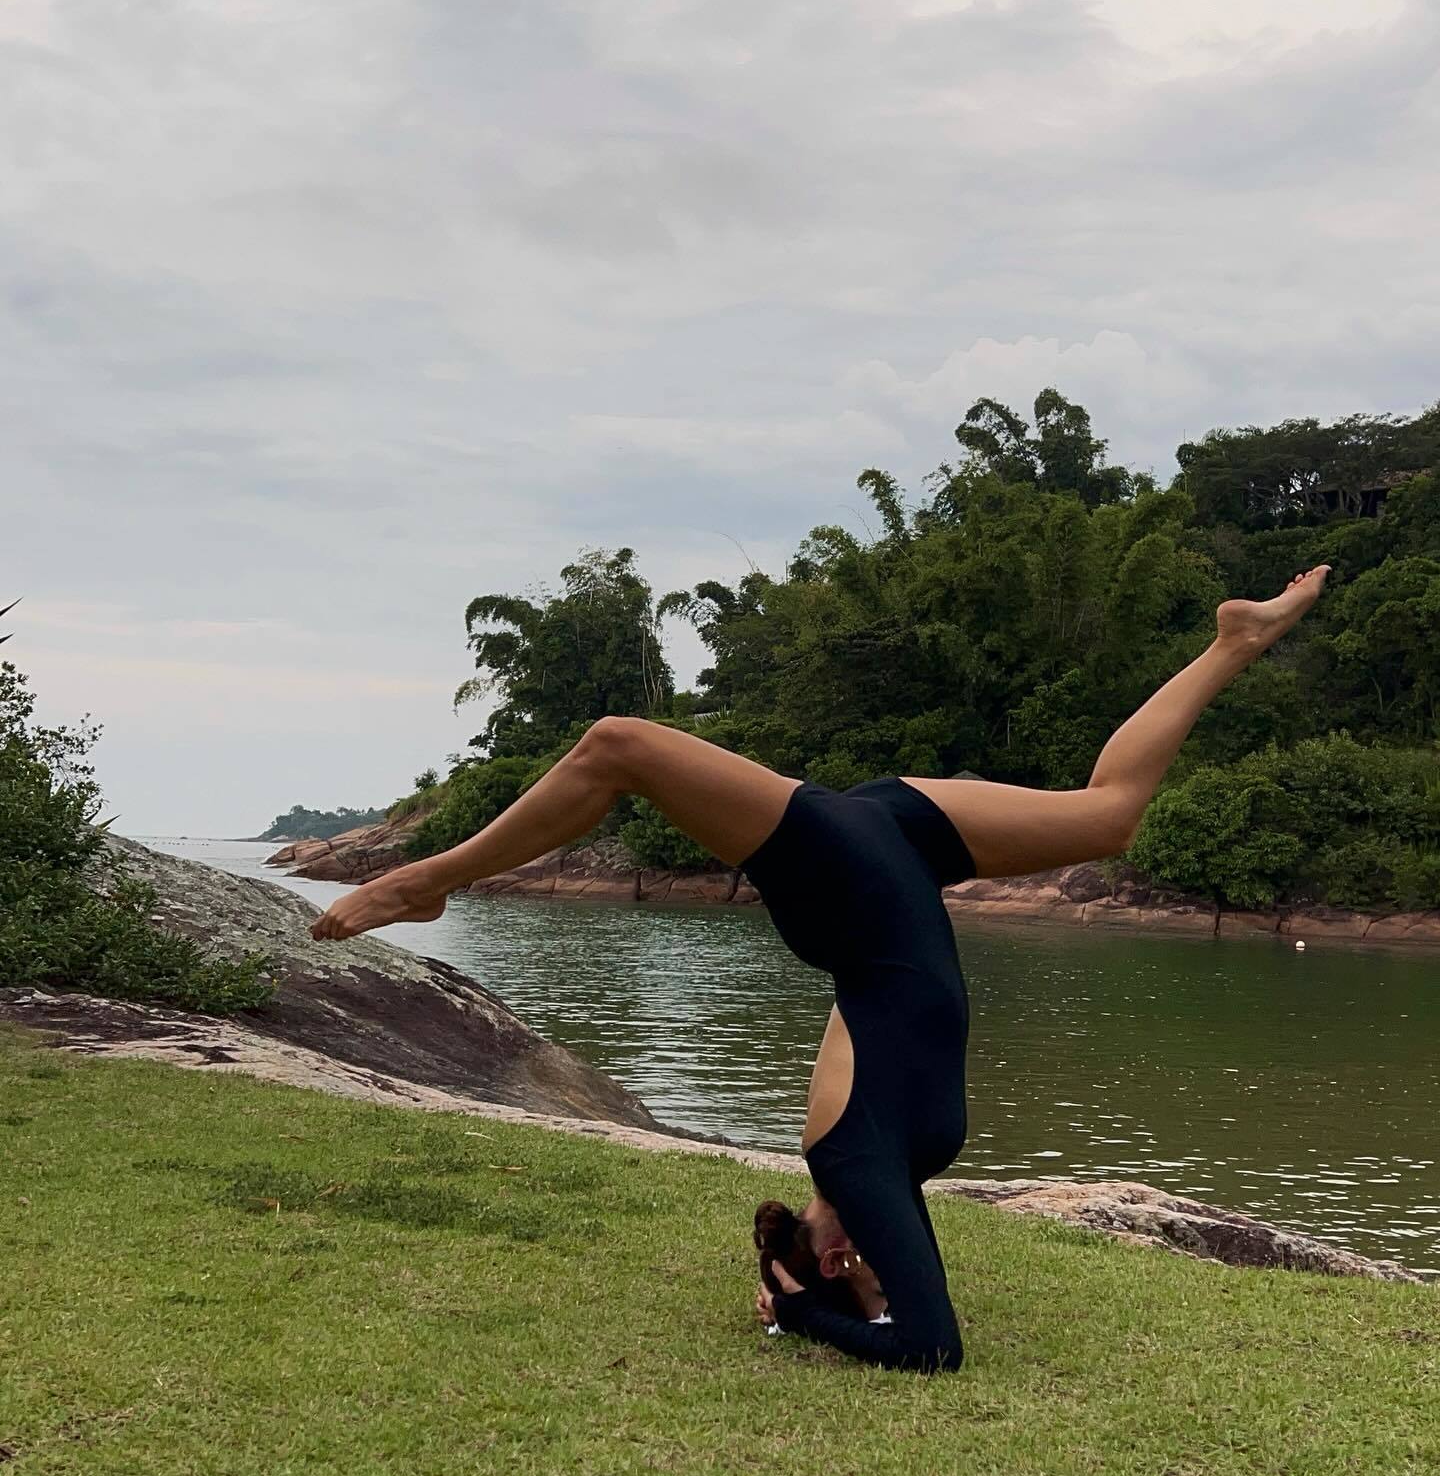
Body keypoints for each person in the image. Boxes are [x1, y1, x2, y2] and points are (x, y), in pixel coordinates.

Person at [311, 567, 1333, 1372]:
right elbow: (921, 1326)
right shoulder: (895, 1168)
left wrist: (797, 1307)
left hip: (853, 880)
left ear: (822, 1243)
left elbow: (929, 1351)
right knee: (1108, 815)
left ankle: (429, 879)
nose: (871, 1268)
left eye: (847, 1268)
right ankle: (1232, 642)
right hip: (897, 842)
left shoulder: (848, 1157)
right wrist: (818, 1290)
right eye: (872, 1280)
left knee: (618, 745)